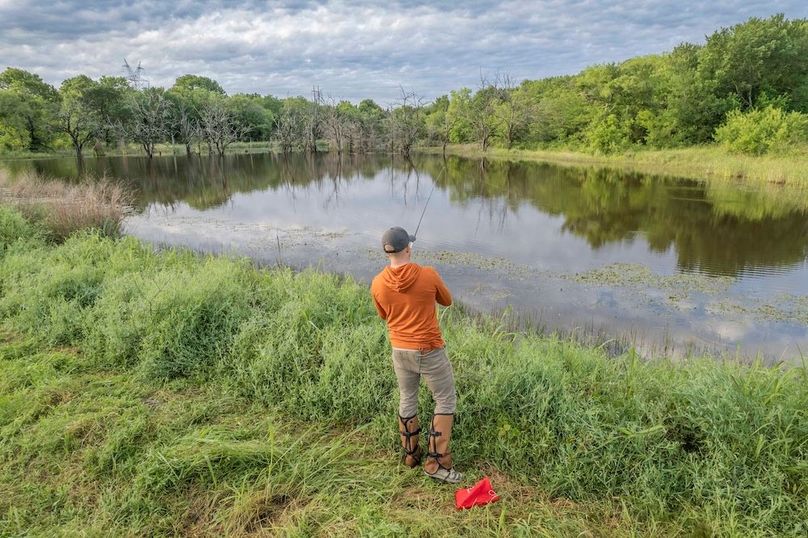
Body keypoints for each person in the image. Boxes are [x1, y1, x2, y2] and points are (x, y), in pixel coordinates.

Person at [371, 226, 463, 484]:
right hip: (429, 349)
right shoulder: (428, 274)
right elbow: (447, 301)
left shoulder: (377, 282)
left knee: (407, 397)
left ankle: (411, 455)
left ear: (387, 252)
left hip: (399, 350)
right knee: (445, 400)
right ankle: (437, 464)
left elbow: (383, 314)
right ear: (408, 248)